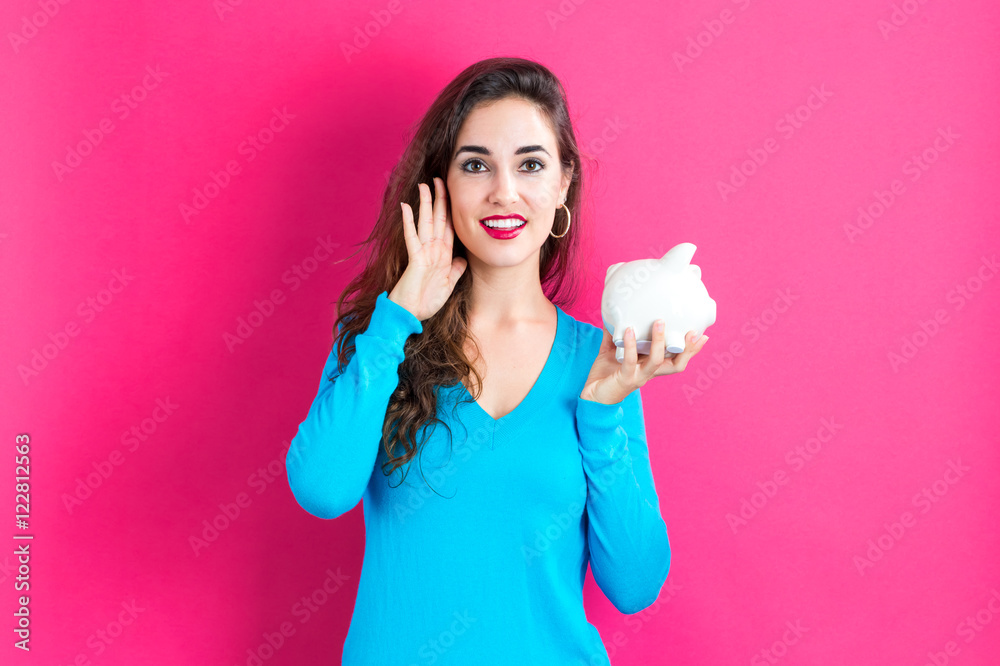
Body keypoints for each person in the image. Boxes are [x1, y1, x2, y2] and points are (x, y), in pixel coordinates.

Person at [285, 56, 708, 665]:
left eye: (530, 164)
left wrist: (604, 415)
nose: (503, 191)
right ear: (443, 186)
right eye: (476, 164)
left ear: (563, 184)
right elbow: (323, 489)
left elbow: (635, 586)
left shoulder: (601, 363)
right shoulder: (382, 338)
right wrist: (398, 317)